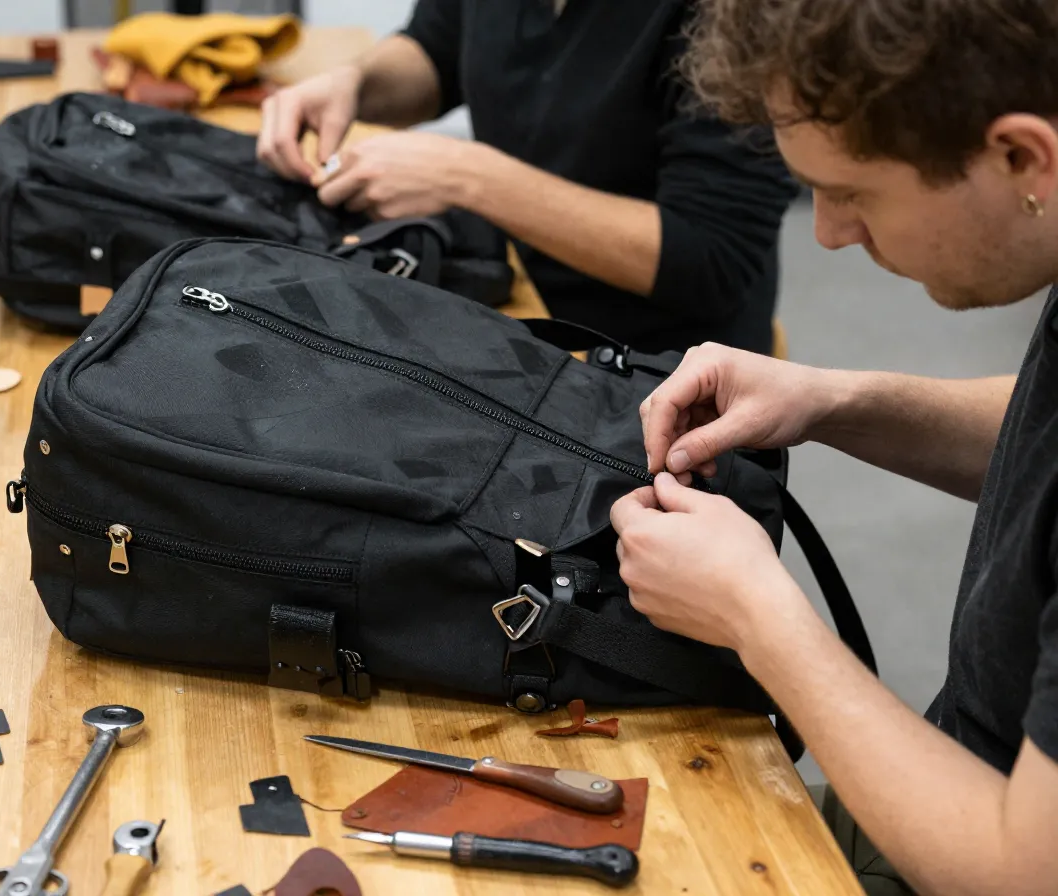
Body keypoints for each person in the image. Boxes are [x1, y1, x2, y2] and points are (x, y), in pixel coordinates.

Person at [608, 1, 1058, 894]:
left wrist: (754, 614)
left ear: (1020, 157)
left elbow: (1024, 872)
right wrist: (831, 400)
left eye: (853, 193)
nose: (828, 233)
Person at [257, 1, 798, 355]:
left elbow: (709, 257)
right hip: (515, 299)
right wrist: (355, 82)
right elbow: (437, 50)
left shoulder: (735, 14)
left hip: (656, 371)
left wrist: (469, 178)